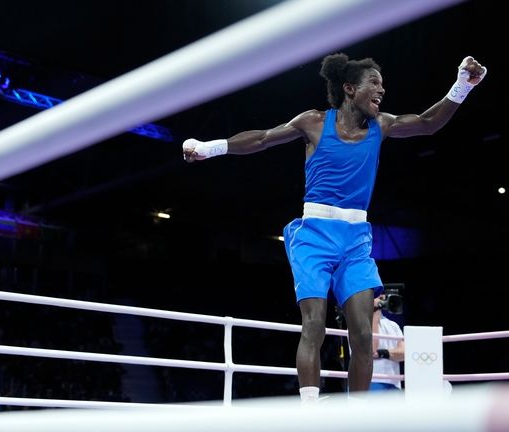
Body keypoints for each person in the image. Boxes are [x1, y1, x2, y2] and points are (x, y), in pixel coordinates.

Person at [182, 53, 486, 401]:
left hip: (356, 242)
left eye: (382, 84)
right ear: (349, 88)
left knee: (362, 335)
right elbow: (263, 138)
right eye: (374, 82)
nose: (382, 90)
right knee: (314, 324)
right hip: (314, 236)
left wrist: (462, 85)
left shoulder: (381, 126)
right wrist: (208, 149)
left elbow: (427, 122)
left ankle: (354, 417)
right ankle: (311, 413)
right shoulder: (313, 122)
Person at [370, 294, 404, 391]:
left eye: (383, 299)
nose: (382, 301)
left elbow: (404, 353)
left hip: (394, 383)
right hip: (370, 381)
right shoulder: (359, 323)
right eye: (378, 298)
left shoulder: (393, 325)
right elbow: (371, 349)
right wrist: (374, 313)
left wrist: (382, 353)